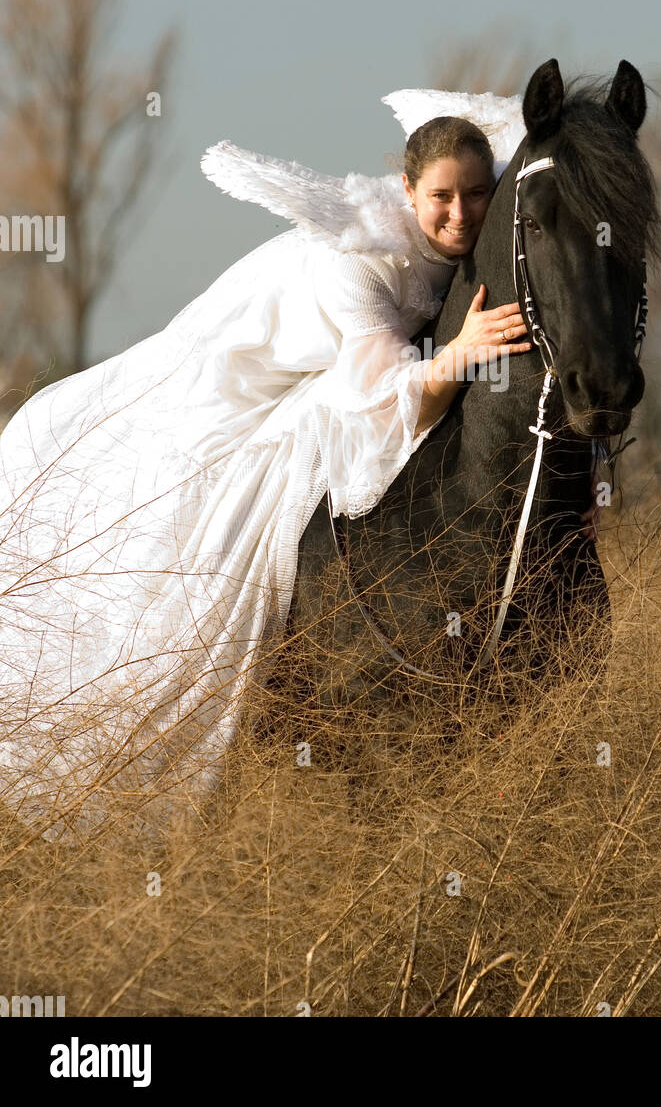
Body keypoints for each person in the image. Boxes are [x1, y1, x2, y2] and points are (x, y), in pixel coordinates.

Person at [0, 105, 533, 837]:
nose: (461, 212)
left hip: (326, 369)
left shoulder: (474, 218)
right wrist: (461, 351)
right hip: (248, 367)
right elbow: (379, 402)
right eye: (442, 196)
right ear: (408, 192)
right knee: (199, 487)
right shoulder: (358, 260)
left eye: (476, 194)